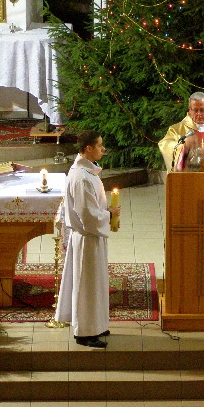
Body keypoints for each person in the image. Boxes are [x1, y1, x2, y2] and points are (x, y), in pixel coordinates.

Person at [55, 130, 121, 348]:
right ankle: (84, 332)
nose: (103, 149)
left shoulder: (87, 171)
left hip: (92, 237)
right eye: (100, 146)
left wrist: (108, 214)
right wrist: (109, 214)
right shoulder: (81, 177)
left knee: (95, 284)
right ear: (89, 148)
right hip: (87, 238)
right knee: (86, 287)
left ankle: (97, 325)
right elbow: (87, 215)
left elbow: (93, 208)